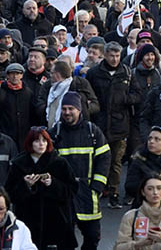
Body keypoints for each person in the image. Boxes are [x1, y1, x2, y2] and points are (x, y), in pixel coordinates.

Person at [49, 92, 110, 250]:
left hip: (87, 193)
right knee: (64, 240)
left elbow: (104, 158)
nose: (67, 112)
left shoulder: (92, 131)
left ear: (79, 110)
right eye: (64, 109)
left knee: (92, 236)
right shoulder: (55, 133)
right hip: (65, 194)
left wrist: (98, 185)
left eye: (71, 108)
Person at [5, 126, 78, 250]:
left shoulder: (59, 163)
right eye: (37, 141)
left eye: (44, 140)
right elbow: (10, 194)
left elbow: (72, 190)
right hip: (28, 221)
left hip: (56, 222)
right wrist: (26, 186)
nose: (41, 144)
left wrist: (53, 184)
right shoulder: (19, 164)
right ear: (30, 143)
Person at [84, 40, 134, 208]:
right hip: (100, 122)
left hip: (120, 124)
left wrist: (125, 100)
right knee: (98, 159)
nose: (114, 59)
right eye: (111, 55)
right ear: (105, 55)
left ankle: (114, 192)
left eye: (117, 55)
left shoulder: (127, 73)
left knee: (115, 161)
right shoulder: (94, 73)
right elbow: (88, 95)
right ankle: (98, 189)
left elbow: (137, 95)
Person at [113, 176, 161, 250]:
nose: (155, 192)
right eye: (150, 189)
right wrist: (139, 244)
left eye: (159, 188)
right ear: (143, 192)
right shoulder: (130, 216)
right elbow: (119, 247)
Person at [125, 126, 161, 207]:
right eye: (150, 139)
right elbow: (129, 186)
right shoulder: (139, 160)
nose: (151, 141)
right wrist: (148, 185)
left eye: (157, 139)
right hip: (143, 206)